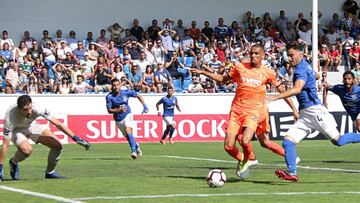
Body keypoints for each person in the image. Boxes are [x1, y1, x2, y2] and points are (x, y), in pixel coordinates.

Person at [190, 44, 297, 178]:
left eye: (256, 53)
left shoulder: (268, 72)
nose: (253, 56)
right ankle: (244, 159)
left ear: (263, 56)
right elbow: (223, 80)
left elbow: (282, 91)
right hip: (236, 111)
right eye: (251, 53)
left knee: (246, 140)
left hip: (254, 111)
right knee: (228, 147)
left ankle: (251, 159)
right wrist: (204, 73)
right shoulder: (240, 67)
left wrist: (293, 109)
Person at [267, 42, 360, 182]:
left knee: (338, 141)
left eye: (292, 55)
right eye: (288, 56)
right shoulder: (304, 66)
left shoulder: (300, 70)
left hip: (316, 112)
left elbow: (297, 89)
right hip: (305, 114)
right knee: (288, 142)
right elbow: (314, 76)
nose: (289, 58)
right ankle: (292, 173)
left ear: (300, 54)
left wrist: (276, 97)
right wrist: (314, 77)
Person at [0, 95, 90, 181]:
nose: (29, 112)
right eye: (25, 110)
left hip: (32, 126)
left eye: (30, 108)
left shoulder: (38, 109)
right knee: (27, 150)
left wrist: (75, 138)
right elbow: (5, 146)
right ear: (19, 109)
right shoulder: (10, 117)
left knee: (57, 145)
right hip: (17, 130)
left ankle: (50, 172)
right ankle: (13, 162)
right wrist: (0, 168)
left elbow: (58, 123)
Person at [106, 78, 149, 159]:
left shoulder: (126, 92)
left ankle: (133, 151)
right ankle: (136, 146)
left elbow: (138, 95)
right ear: (111, 86)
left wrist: (144, 106)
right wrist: (118, 110)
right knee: (128, 137)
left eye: (117, 85)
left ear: (120, 85)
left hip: (127, 115)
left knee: (128, 130)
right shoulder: (109, 97)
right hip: (118, 119)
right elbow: (109, 110)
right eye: (114, 86)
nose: (116, 87)